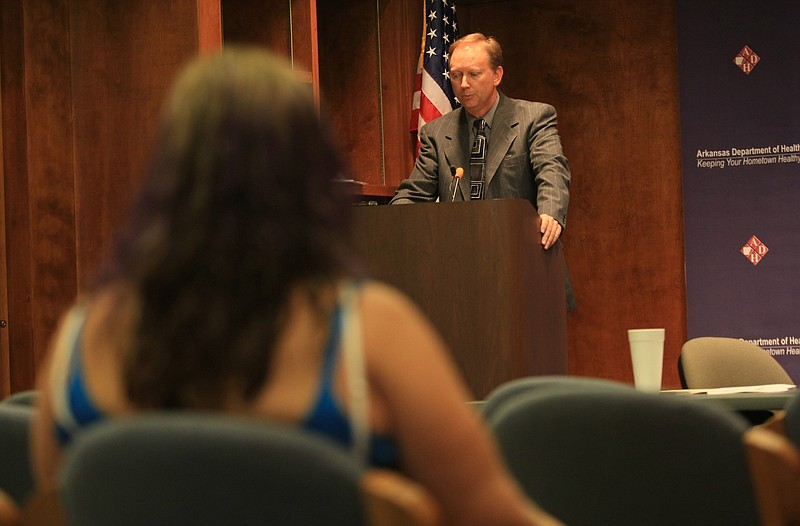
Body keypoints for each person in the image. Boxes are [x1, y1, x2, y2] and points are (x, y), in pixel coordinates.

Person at [29, 48, 562, 526]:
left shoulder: (80, 335)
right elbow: (494, 516)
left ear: (166, 169)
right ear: (310, 170)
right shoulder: (371, 331)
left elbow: (54, 507)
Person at [391, 33, 571, 253]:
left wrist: (550, 213)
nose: (464, 84)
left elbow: (552, 170)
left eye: (473, 74)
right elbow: (414, 194)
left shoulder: (534, 118)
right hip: (462, 260)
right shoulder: (436, 133)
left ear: (497, 75)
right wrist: (392, 224)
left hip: (523, 255)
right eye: (456, 75)